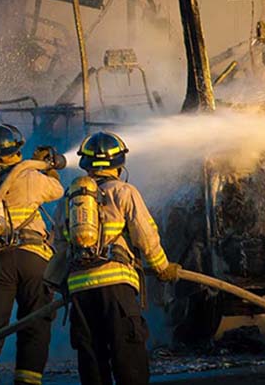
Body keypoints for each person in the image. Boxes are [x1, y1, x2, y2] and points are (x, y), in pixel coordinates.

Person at [46, 131, 180, 385]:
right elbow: (145, 236)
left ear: (85, 164)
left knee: (92, 358)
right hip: (116, 288)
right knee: (127, 354)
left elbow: (59, 246)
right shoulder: (124, 192)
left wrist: (54, 285)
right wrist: (162, 267)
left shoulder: (69, 201)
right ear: (119, 164)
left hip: (80, 291)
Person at [0, 124, 65, 385]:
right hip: (33, 258)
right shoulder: (29, 176)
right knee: (35, 321)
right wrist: (48, 166)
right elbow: (57, 190)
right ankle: (27, 380)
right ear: (16, 150)